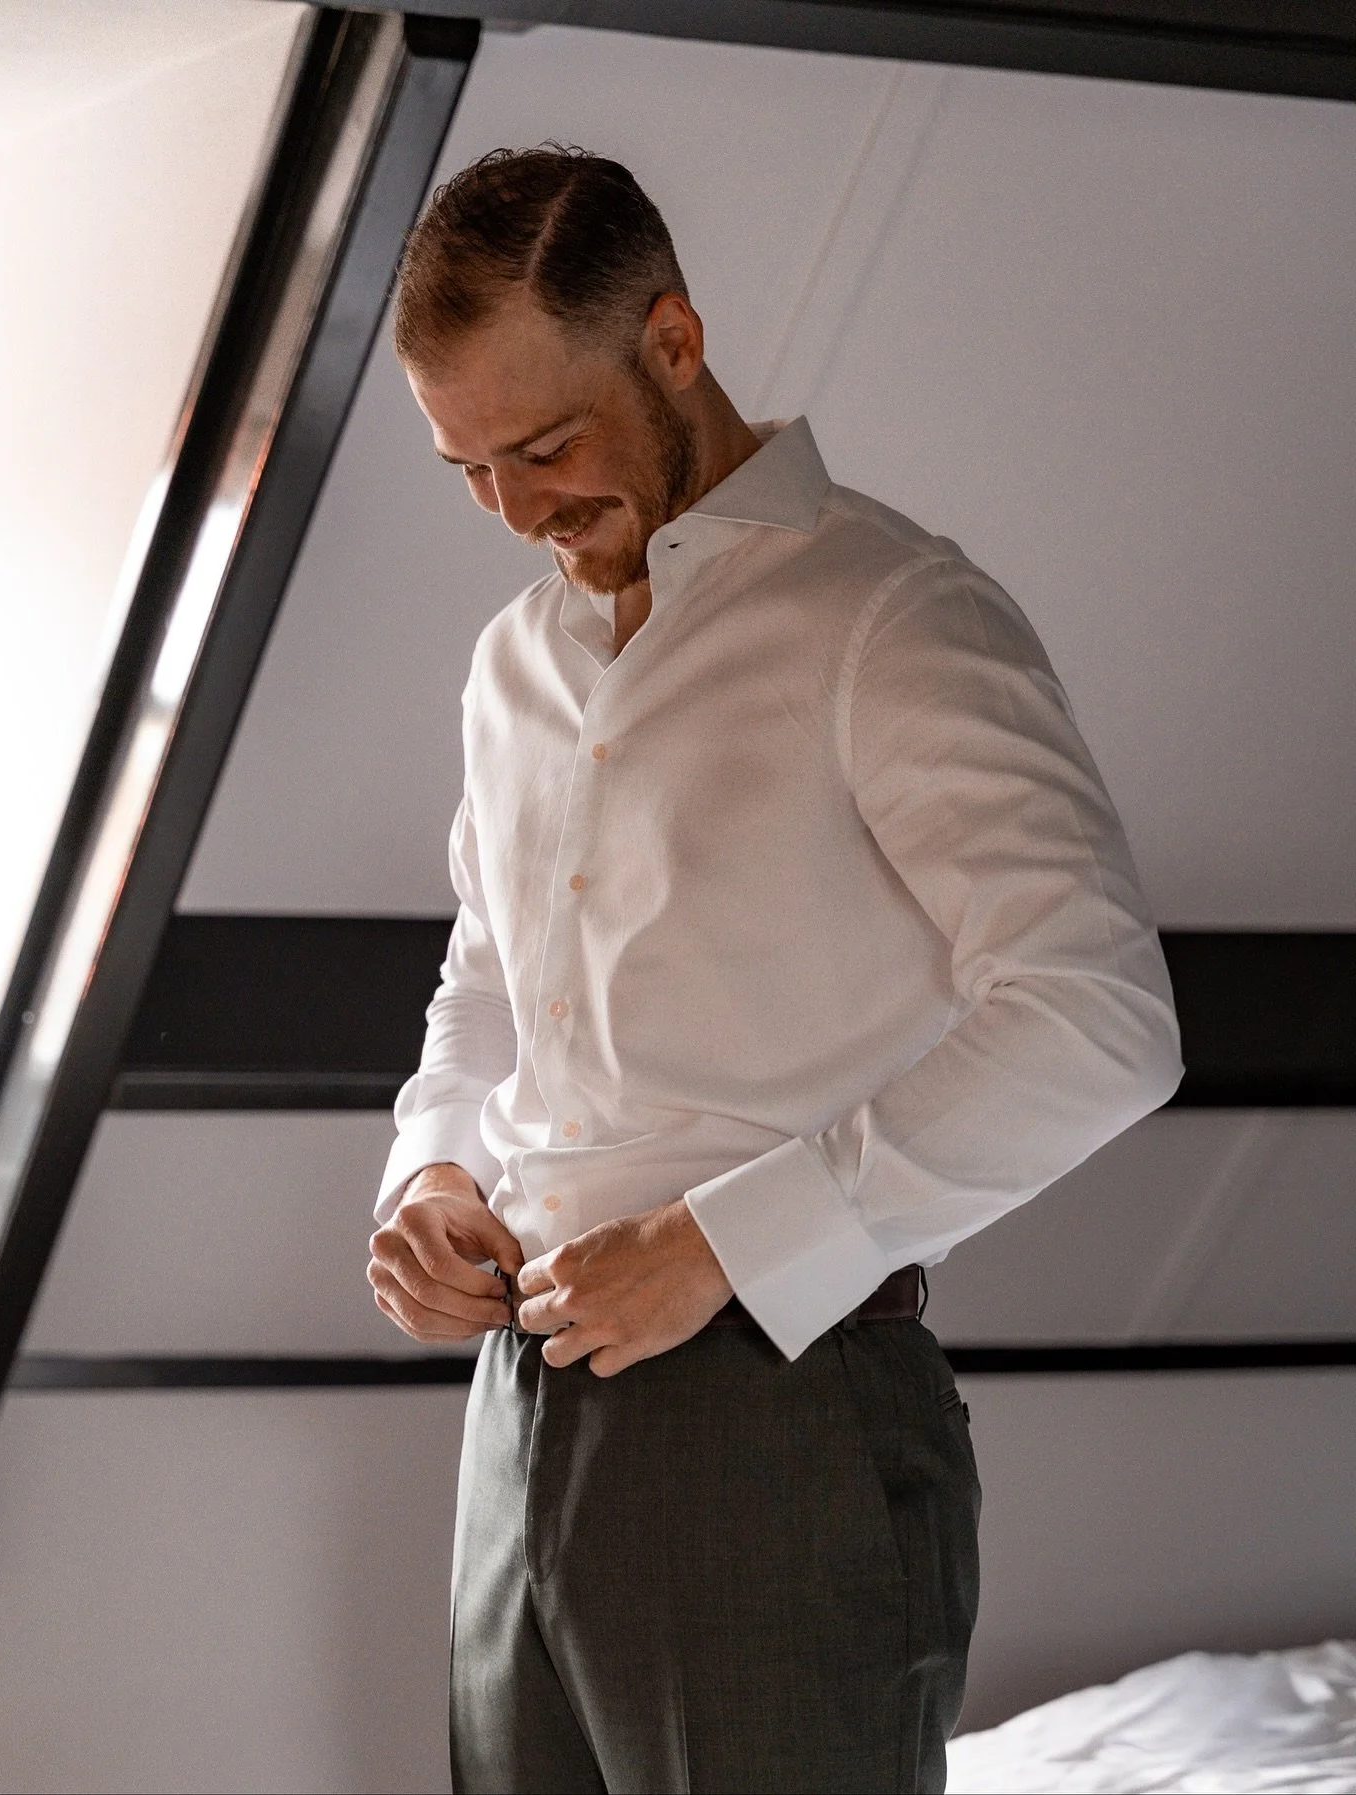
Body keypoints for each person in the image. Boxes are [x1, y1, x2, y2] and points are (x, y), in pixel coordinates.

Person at [366, 145, 1182, 1795]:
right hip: (517, 1419)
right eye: (469, 470)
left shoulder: (892, 611)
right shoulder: (511, 664)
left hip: (778, 1414)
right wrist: (434, 1166)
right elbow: (491, 986)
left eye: (547, 446)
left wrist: (721, 1243)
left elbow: (1100, 1017)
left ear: (673, 341)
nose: (516, 511)